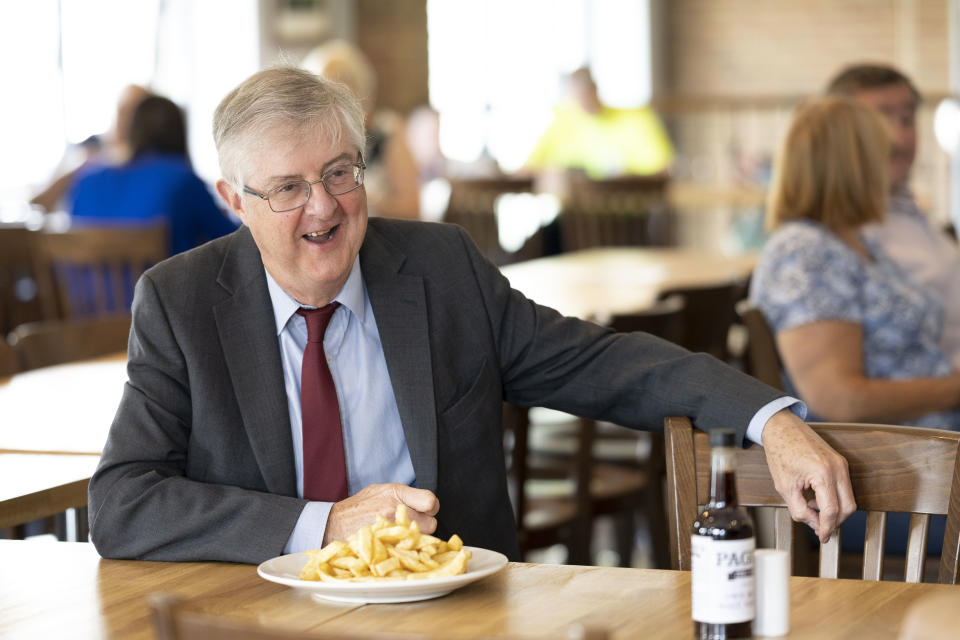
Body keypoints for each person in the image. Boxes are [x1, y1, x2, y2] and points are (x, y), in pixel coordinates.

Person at [87, 67, 853, 565]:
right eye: (286, 188)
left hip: (452, 615)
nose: (322, 208)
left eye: (339, 174)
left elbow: (604, 364)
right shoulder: (181, 300)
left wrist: (767, 419)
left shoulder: (439, 269)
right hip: (260, 617)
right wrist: (324, 525)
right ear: (233, 202)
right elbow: (121, 504)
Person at [750, 97, 960, 429]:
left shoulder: (855, 241)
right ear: (853, 167)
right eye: (883, 155)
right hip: (898, 458)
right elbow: (839, 399)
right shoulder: (806, 254)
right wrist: (954, 390)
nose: (892, 167)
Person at [827, 63, 960, 369]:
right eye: (878, 121)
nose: (899, 139)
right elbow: (842, 399)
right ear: (838, 134)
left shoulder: (907, 211)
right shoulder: (835, 238)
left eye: (906, 118)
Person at [68, 95, 237, 256]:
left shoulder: (86, 181)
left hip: (83, 287)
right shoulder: (182, 180)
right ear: (179, 132)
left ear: (133, 131)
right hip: (162, 285)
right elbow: (234, 238)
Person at [302, 40, 421, 220]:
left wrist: (365, 198)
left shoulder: (387, 132)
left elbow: (412, 209)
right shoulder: (311, 141)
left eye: (342, 88)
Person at [524, 67, 674, 179]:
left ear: (595, 88)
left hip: (628, 214)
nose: (583, 99)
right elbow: (528, 170)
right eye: (577, 94)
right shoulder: (563, 122)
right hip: (574, 214)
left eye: (586, 91)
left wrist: (624, 179)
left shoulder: (636, 118)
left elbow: (665, 168)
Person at [31, 84, 152, 213]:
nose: (126, 120)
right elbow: (37, 206)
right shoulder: (85, 152)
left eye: (134, 112)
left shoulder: (155, 164)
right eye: (122, 110)